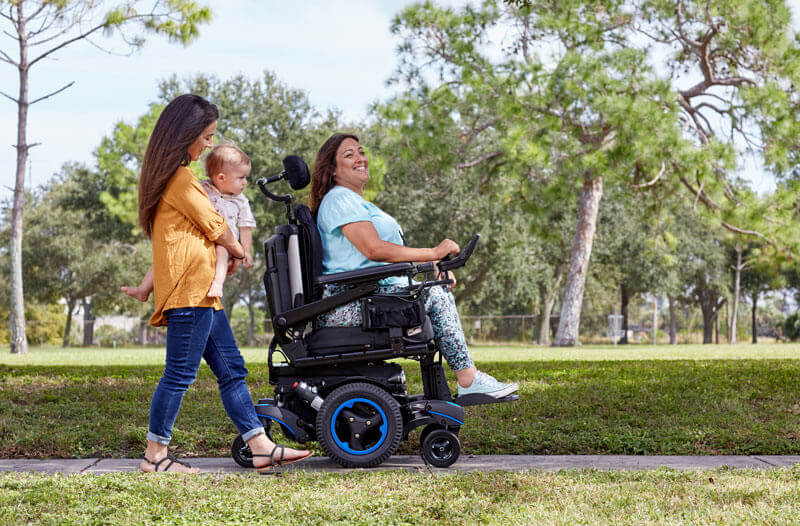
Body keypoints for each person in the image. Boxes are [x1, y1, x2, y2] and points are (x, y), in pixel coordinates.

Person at [124, 94, 311, 473]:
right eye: (206, 136)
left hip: (203, 296)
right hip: (192, 293)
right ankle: (154, 456)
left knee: (232, 370)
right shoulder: (181, 179)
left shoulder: (177, 178)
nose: (209, 144)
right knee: (179, 375)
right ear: (186, 133)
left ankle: (260, 446)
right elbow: (215, 225)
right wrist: (240, 250)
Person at [310, 133, 518, 399]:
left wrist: (431, 261)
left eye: (361, 152)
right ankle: (468, 380)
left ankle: (462, 383)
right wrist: (432, 251)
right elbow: (374, 249)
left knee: (432, 290)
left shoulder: (352, 201)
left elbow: (378, 255)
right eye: (349, 155)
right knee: (431, 294)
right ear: (332, 170)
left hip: (363, 297)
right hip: (346, 305)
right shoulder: (339, 199)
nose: (361, 158)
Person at [123, 141, 255, 300]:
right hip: (199, 240)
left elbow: (245, 226)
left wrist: (245, 250)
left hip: (224, 242)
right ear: (221, 178)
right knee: (164, 256)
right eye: (241, 178)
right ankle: (143, 289)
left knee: (221, 252)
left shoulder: (241, 201)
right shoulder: (202, 188)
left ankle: (217, 284)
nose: (245, 182)